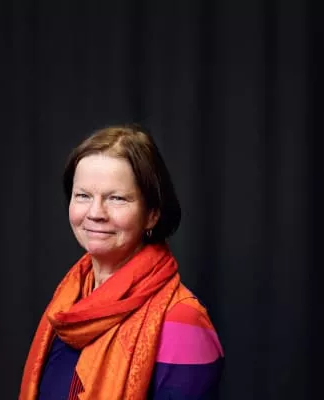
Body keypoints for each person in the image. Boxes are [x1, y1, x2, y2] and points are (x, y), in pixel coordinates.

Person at [19, 125, 224, 400]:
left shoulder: (182, 321)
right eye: (83, 196)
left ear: (151, 214)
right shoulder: (67, 305)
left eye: (116, 198)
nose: (95, 213)